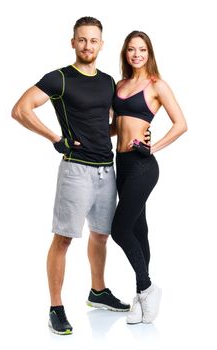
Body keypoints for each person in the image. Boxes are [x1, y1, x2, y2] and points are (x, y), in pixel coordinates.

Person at [11, 17, 150, 335]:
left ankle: (97, 291)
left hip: (107, 169)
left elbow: (108, 127)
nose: (88, 45)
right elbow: (21, 109)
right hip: (75, 170)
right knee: (63, 239)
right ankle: (56, 308)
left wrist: (137, 133)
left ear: (101, 44)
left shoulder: (107, 82)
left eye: (94, 40)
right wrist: (54, 138)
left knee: (101, 235)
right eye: (82, 40)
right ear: (73, 42)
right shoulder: (58, 78)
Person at [111, 30, 187, 325]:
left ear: (149, 53)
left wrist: (151, 146)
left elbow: (181, 124)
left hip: (143, 167)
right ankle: (141, 297)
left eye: (142, 49)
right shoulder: (120, 85)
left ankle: (146, 288)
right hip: (122, 164)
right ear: (125, 53)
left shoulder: (157, 85)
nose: (136, 54)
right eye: (131, 50)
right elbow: (115, 127)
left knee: (120, 229)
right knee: (138, 230)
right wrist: (86, 133)